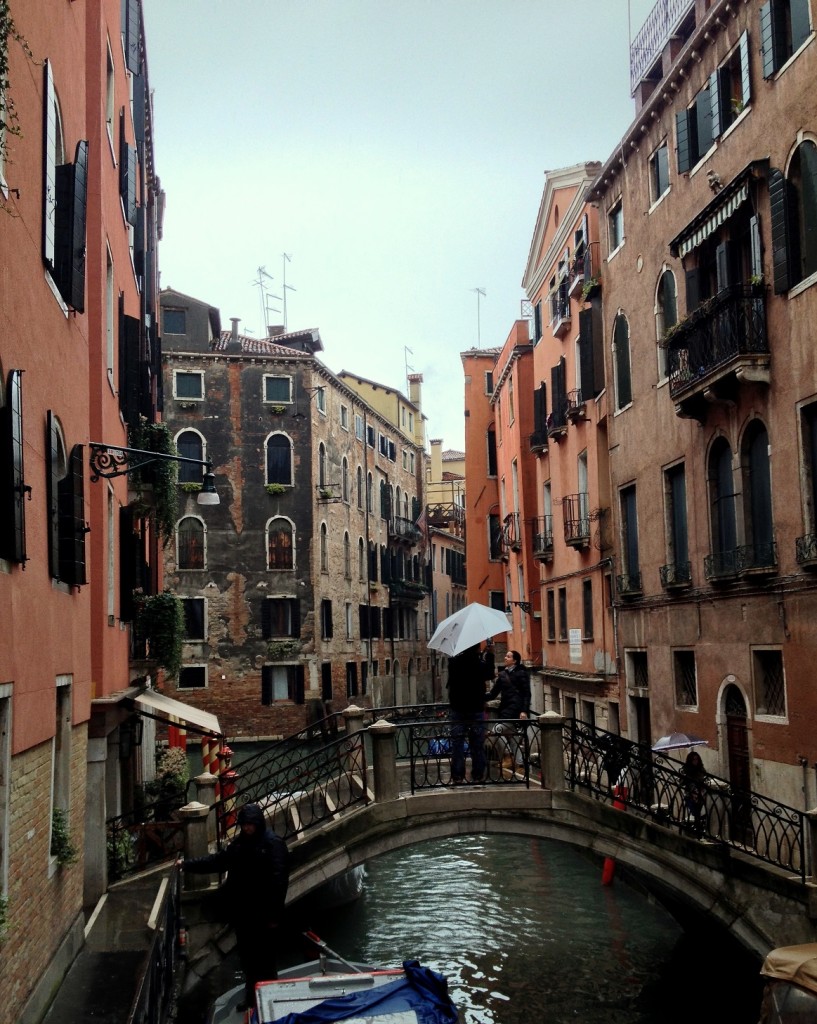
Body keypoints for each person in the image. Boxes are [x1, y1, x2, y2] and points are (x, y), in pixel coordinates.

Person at [182, 802, 290, 1010]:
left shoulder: (272, 844)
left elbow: (279, 881)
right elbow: (218, 861)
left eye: (250, 824)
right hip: (244, 912)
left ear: (258, 823)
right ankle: (251, 999)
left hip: (265, 914)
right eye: (245, 825)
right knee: (249, 959)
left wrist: (274, 914)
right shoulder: (240, 844)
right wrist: (188, 865)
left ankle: (270, 1002)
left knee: (265, 960)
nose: (247, 828)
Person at [447, 644, 488, 784]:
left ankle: (457, 776)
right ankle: (477, 775)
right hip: (475, 708)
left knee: (457, 743)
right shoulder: (480, 664)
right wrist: (490, 655)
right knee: (477, 743)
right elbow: (489, 674)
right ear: (476, 649)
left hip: (458, 708)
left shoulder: (453, 662)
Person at [487, 650, 531, 769]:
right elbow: (492, 694)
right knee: (512, 737)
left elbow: (527, 694)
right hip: (505, 709)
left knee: (496, 730)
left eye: (508, 656)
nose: (505, 658)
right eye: (506, 656)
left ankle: (508, 755)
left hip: (515, 709)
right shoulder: (502, 675)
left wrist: (524, 711)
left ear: (515, 661)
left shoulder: (521, 673)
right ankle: (519, 763)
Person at [681, 750, 707, 835]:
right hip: (691, 794)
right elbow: (683, 782)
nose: (695, 761)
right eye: (693, 760)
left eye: (697, 759)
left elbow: (705, 778)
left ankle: (698, 826)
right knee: (694, 810)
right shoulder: (686, 769)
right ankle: (697, 827)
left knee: (699, 810)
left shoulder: (701, 769)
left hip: (700, 793)